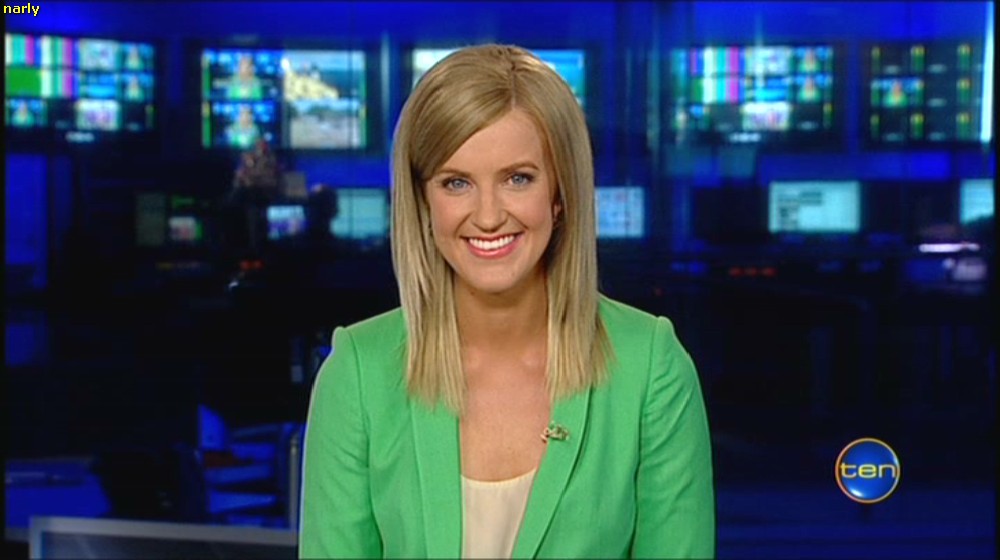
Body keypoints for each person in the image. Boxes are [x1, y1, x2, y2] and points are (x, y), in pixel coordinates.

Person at [299, 44, 714, 559]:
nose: (489, 215)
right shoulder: (358, 375)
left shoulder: (650, 369)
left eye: (518, 178)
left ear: (559, 195)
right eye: (456, 183)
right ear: (423, 201)